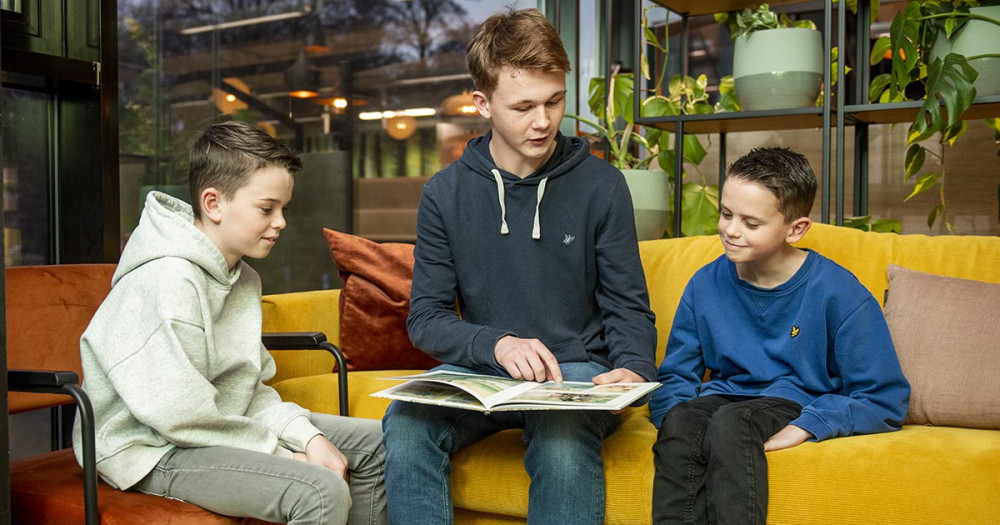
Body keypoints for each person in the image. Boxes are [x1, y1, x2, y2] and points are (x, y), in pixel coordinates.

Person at [380, 6, 657, 525]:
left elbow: (628, 306)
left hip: (576, 372)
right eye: (524, 106)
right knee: (407, 420)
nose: (543, 121)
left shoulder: (602, 186)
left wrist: (635, 369)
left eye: (554, 101)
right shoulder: (444, 194)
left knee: (560, 434)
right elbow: (426, 319)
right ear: (483, 103)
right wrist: (498, 344)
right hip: (486, 372)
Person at [72, 121, 387, 525]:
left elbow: (245, 391)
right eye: (267, 209)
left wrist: (308, 436)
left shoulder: (242, 278)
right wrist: (283, 454)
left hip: (208, 428)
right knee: (319, 490)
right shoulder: (168, 280)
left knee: (378, 444)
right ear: (213, 204)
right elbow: (178, 416)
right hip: (148, 448)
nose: (281, 222)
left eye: (283, 209)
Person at [649, 147, 910, 524]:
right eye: (726, 214)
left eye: (751, 223)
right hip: (725, 396)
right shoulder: (704, 283)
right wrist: (676, 422)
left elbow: (885, 398)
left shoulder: (839, 291)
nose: (731, 230)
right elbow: (676, 375)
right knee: (682, 421)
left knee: (731, 424)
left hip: (796, 400)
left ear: (796, 229)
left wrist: (808, 425)